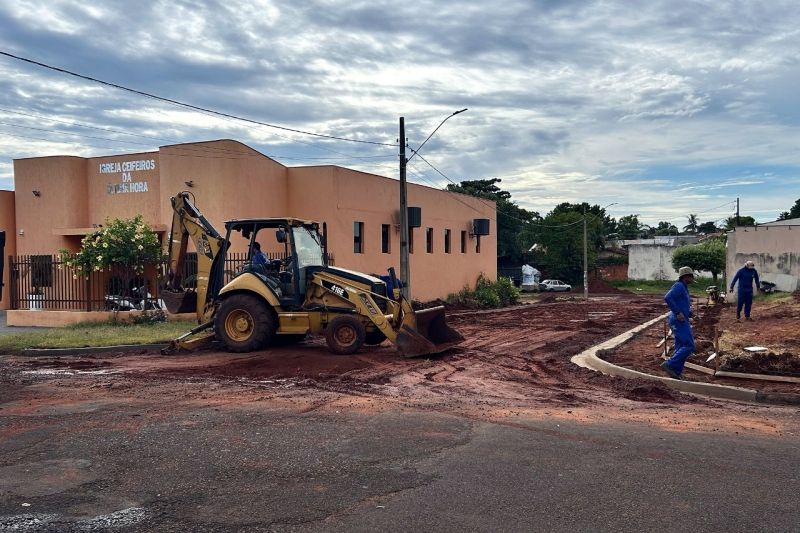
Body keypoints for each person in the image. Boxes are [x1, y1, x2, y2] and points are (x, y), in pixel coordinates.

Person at [661, 266, 696, 380]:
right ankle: (670, 364)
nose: (692, 279)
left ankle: (676, 371)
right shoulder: (679, 286)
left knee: (681, 345)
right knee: (689, 345)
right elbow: (668, 297)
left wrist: (689, 313)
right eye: (691, 276)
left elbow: (681, 303)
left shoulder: (684, 287)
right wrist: (677, 312)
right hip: (678, 320)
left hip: (681, 319)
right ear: (685, 276)